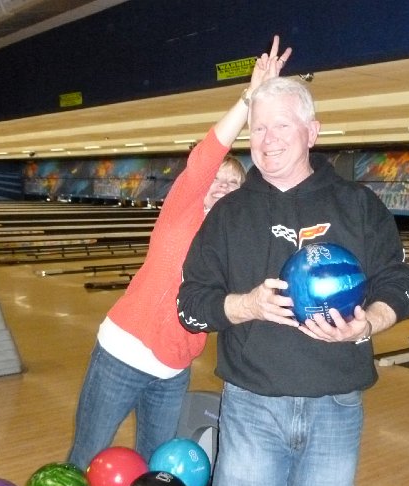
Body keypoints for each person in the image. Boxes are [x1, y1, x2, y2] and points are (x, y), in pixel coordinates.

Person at [176, 77, 409, 486]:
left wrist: (369, 322)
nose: (267, 139)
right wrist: (246, 305)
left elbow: (401, 284)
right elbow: (189, 305)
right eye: (258, 129)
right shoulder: (228, 214)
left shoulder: (358, 205)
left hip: (335, 411)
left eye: (280, 126)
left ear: (311, 130)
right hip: (251, 410)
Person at [66, 39, 291, 464]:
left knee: (152, 468)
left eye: (232, 184)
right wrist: (252, 97)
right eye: (217, 180)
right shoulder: (181, 210)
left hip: (174, 370)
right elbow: (208, 156)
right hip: (123, 351)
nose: (222, 186)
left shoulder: (230, 238)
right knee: (86, 456)